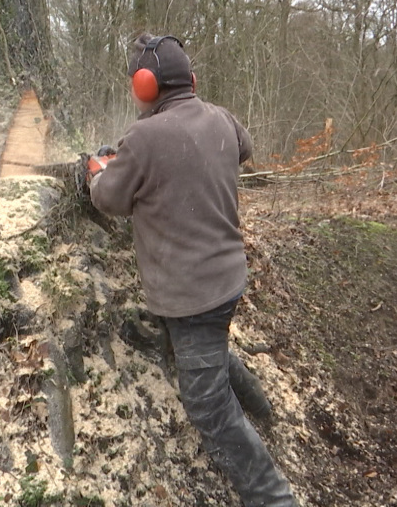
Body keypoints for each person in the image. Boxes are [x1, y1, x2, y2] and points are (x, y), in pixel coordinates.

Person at [87, 34, 298, 507]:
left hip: (193, 294)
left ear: (144, 86)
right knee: (204, 349)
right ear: (191, 81)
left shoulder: (142, 138)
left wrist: (100, 168)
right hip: (226, 278)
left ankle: (274, 497)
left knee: (206, 407)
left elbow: (108, 198)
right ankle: (260, 405)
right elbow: (242, 149)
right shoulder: (221, 118)